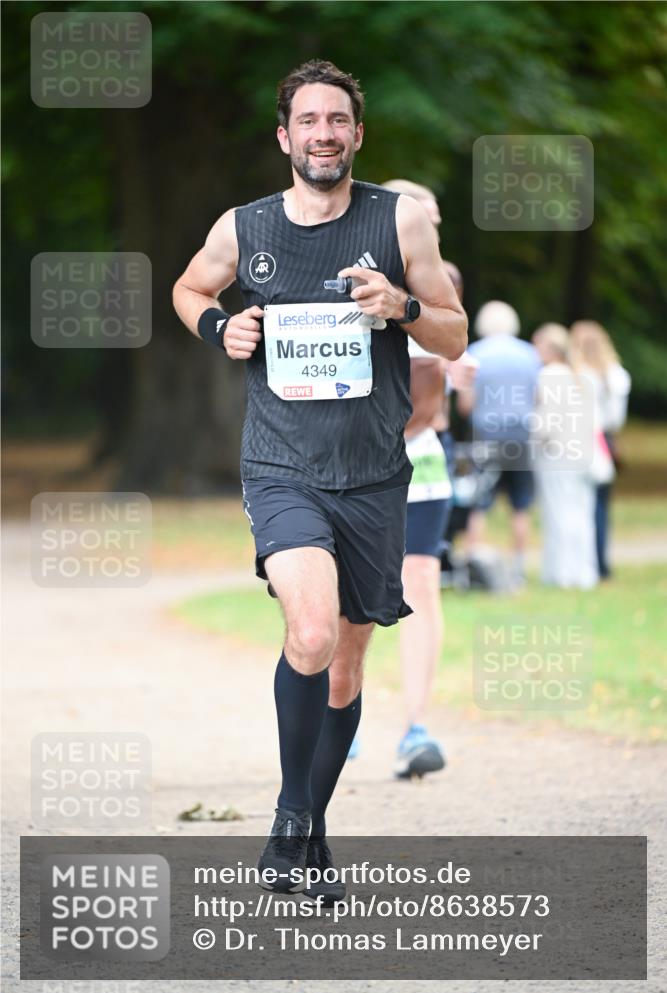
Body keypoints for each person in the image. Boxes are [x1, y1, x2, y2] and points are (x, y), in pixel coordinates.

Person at [172, 60, 467, 900]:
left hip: (373, 474)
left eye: (337, 120)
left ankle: (309, 832)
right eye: (308, 121)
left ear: (356, 134)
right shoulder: (246, 227)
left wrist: (402, 307)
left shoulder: (398, 221)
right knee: (308, 634)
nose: (324, 134)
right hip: (281, 467)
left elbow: (451, 336)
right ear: (284, 137)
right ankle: (291, 821)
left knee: (343, 666)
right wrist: (220, 327)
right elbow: (189, 288)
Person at [378, 180, 474, 779]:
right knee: (343, 594)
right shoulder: (344, 278)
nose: (430, 229)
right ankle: (336, 715)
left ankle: (415, 727)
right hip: (353, 461)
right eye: (421, 217)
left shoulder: (445, 282)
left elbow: (456, 354)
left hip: (423, 456)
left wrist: (458, 371)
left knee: (421, 583)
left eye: (435, 220)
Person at [457, 301, 541, 586]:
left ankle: (474, 566)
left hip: (487, 437)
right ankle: (518, 569)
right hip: (521, 437)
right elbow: (538, 397)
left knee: (479, 504)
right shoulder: (530, 354)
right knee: (521, 505)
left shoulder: (476, 354)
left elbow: (465, 405)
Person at [531, 323, 598, 589]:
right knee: (581, 512)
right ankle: (584, 572)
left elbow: (547, 422)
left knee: (558, 513)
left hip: (555, 454)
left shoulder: (549, 375)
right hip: (581, 453)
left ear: (550, 348)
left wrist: (533, 439)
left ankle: (561, 573)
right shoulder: (580, 375)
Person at [569, 321, 631, 579]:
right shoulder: (616, 374)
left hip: (577, 440)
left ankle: (581, 562)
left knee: (577, 503)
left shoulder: (574, 374)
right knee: (601, 505)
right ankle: (601, 562)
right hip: (603, 441)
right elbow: (616, 419)